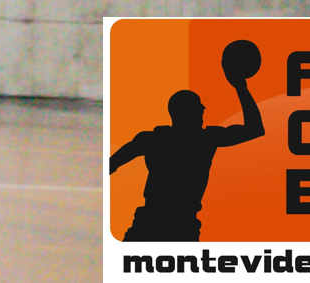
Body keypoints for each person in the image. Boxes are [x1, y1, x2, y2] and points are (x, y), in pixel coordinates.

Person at [110, 61, 266, 241]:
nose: (203, 108)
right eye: (198, 105)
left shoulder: (153, 139)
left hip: (150, 223)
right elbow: (254, 128)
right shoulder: (205, 139)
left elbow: (113, 163)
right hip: (181, 227)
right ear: (188, 112)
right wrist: (240, 87)